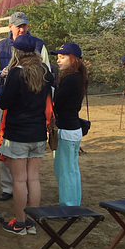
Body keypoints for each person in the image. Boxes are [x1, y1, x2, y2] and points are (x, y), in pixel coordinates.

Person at [0, 35, 53, 235]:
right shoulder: (45, 72)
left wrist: (4, 81)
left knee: (19, 181)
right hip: (38, 133)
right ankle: (32, 221)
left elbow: (4, 103)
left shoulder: (15, 73)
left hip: (17, 134)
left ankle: (19, 223)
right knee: (34, 179)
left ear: (17, 52)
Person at [0, 12, 51, 202]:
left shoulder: (39, 44)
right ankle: (8, 187)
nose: (21, 28)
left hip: (30, 103)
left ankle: (21, 189)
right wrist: (2, 75)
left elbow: (47, 74)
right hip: (10, 101)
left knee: (16, 144)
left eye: (24, 25)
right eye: (18, 25)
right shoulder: (1, 46)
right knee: (6, 143)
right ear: (10, 26)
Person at [51, 42, 88, 207]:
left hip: (67, 128)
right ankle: (73, 203)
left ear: (73, 59)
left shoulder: (71, 79)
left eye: (62, 57)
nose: (58, 60)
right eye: (58, 57)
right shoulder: (76, 77)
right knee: (70, 169)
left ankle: (69, 206)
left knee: (66, 170)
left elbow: (57, 104)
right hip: (72, 128)